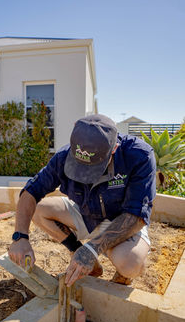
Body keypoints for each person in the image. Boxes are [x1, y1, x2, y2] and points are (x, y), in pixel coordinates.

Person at [8, 114, 156, 287]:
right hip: (87, 213)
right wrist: (20, 237)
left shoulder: (139, 156)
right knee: (39, 210)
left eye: (93, 167)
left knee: (130, 264)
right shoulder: (62, 157)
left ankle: (121, 273)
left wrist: (92, 249)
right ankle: (82, 255)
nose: (86, 175)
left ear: (113, 149)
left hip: (121, 221)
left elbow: (136, 215)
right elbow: (30, 192)